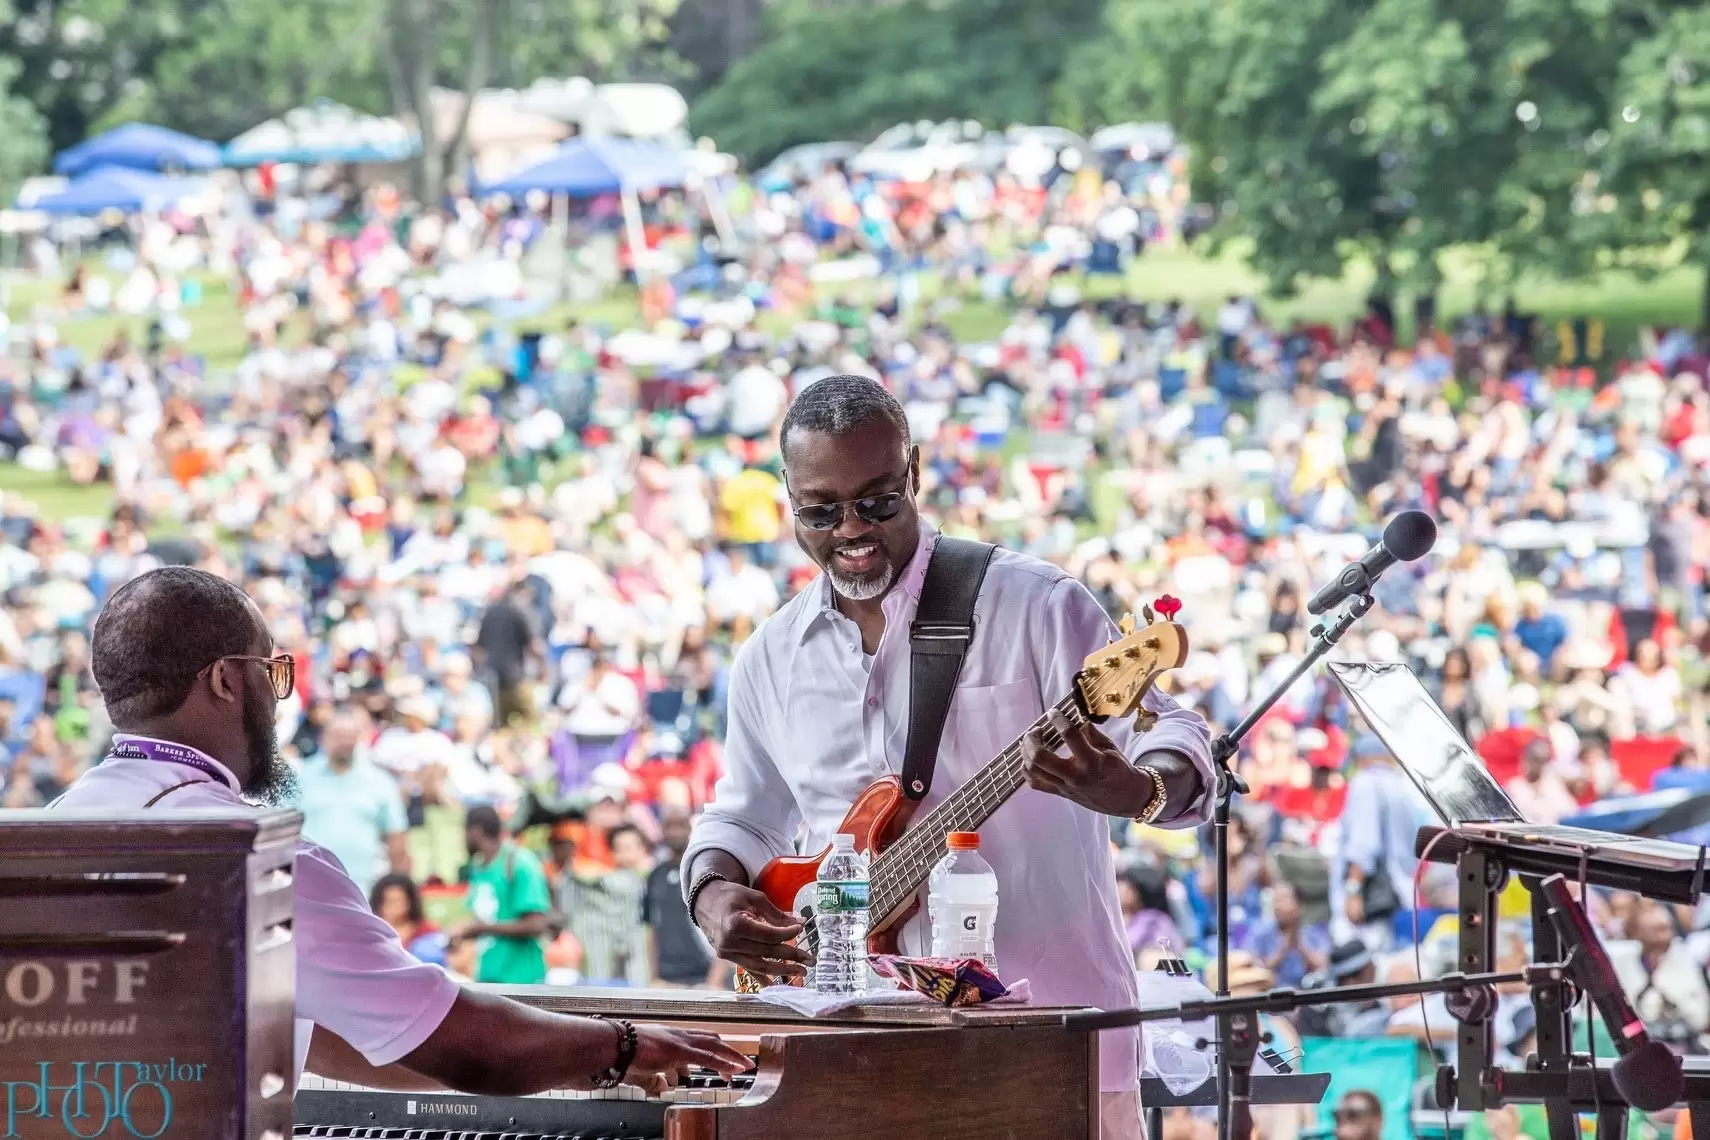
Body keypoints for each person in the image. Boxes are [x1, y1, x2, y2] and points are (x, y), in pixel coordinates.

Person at [683, 376, 1213, 1140]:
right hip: (853, 1060)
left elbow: (1174, 735)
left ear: (916, 473)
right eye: (821, 511)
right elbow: (742, 816)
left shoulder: (1033, 604)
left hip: (1051, 1051)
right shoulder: (771, 657)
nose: (852, 530)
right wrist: (711, 894)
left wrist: (1136, 790)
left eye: (877, 502)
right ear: (789, 504)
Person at [52, 567, 746, 1097]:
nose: (279, 696)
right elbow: (462, 1042)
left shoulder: (48, 833)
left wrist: (564, 1060)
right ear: (229, 682)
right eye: (273, 670)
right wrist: (625, 1048)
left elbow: (331, 1034)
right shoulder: (258, 860)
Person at [293, 704, 411, 896]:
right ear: (323, 738)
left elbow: (397, 837)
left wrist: (395, 887)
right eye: (338, 735)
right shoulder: (300, 778)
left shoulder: (379, 781)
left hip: (363, 888)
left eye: (351, 735)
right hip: (308, 886)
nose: (345, 741)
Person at [458, 805, 553, 985]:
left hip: (521, 982)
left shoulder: (521, 863)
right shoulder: (479, 865)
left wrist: (481, 929)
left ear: (475, 831)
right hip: (488, 978)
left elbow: (536, 925)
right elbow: (486, 918)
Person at [644, 806, 723, 987]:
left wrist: (714, 981)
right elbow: (652, 929)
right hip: (666, 978)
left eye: (680, 826)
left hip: (702, 976)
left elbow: (720, 925)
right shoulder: (655, 875)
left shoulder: (702, 871)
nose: (674, 832)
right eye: (669, 827)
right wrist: (653, 977)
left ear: (689, 829)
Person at [370, 871, 449, 967]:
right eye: (388, 901)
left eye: (398, 900)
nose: (394, 907)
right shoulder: (371, 931)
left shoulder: (427, 930)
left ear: (410, 902)